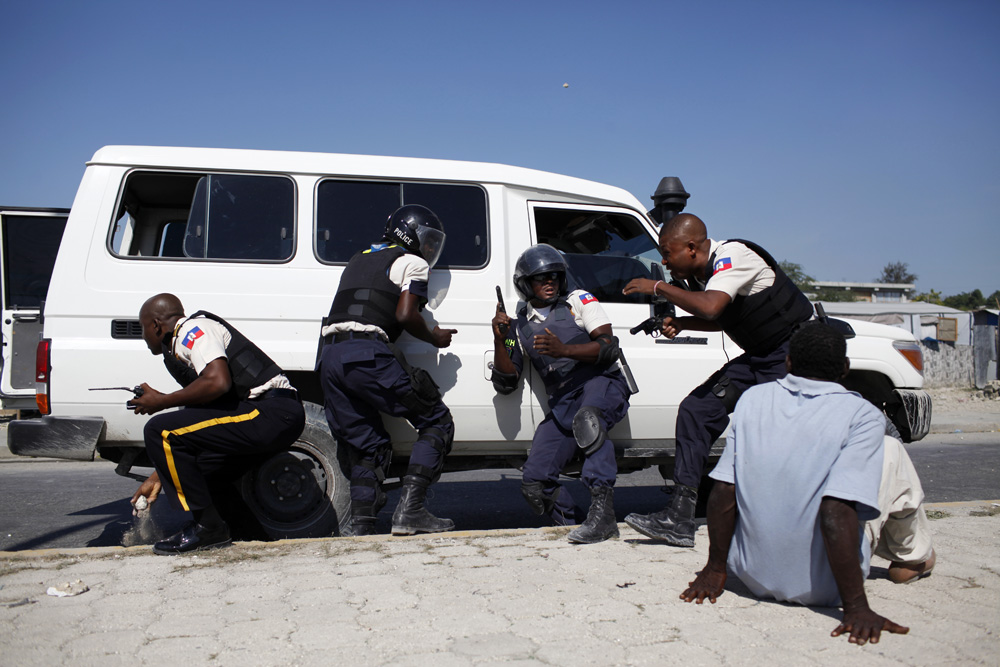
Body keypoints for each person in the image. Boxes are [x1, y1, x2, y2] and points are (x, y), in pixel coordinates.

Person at [680, 322, 935, 646]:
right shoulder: (862, 415)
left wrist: (715, 569)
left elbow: (723, 491)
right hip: (826, 590)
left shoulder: (752, 401)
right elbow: (834, 511)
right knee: (892, 450)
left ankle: (903, 549)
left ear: (788, 362)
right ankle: (913, 555)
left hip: (751, 576)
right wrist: (856, 606)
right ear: (844, 369)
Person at [621, 213, 814, 546]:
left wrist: (657, 287)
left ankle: (794, 518)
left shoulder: (732, 256)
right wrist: (682, 324)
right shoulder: (701, 276)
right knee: (697, 410)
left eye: (668, 253)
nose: (664, 262)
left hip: (791, 354)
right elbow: (723, 317)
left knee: (779, 437)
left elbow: (711, 308)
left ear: (692, 247)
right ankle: (679, 519)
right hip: (759, 357)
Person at [318, 204, 457, 537]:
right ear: (408, 234)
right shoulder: (413, 263)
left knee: (366, 443)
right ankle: (412, 512)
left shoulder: (357, 259)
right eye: (427, 240)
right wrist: (434, 336)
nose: (429, 249)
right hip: (366, 354)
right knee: (436, 421)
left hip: (328, 356)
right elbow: (406, 315)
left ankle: (362, 525)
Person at [130, 293, 306, 555]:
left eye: (143, 329)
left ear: (155, 325)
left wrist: (162, 401)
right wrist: (159, 475)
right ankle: (250, 539)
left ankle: (207, 529)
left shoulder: (191, 330)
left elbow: (218, 382)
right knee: (200, 473)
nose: (144, 337)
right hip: (264, 414)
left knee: (158, 429)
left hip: (272, 412)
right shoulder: (178, 346)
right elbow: (200, 417)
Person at [491, 244, 632, 543]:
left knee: (588, 419)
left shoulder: (578, 300)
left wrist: (564, 350)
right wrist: (500, 339)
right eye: (541, 278)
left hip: (599, 383)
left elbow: (609, 347)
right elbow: (506, 381)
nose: (549, 282)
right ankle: (578, 524)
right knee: (534, 483)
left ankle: (604, 517)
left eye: (554, 276)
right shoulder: (519, 327)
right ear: (525, 284)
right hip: (564, 402)